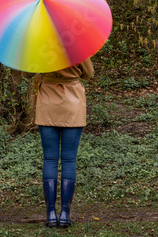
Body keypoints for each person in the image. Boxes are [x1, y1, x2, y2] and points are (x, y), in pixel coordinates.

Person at [33, 58, 94, 228]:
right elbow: (88, 74)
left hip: (47, 105)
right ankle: (65, 214)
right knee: (69, 160)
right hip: (72, 104)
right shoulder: (77, 47)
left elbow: (26, 73)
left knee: (50, 160)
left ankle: (51, 214)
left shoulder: (40, 48)